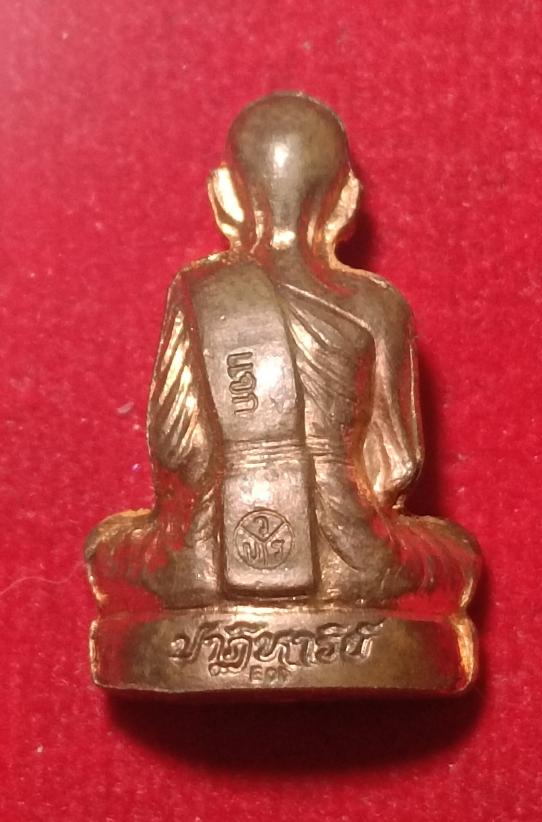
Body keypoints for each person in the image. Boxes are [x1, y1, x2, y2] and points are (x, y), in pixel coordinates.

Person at [86, 92, 480, 617]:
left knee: (107, 552)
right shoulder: (379, 305)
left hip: (206, 552)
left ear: (225, 196)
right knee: (455, 558)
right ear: (346, 200)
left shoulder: (199, 291)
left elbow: (176, 451)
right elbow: (396, 465)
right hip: (357, 555)